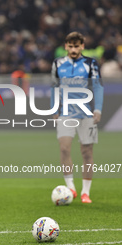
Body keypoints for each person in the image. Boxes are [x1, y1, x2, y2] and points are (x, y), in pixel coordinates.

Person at [50, 32, 104, 203]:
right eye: (70, 46)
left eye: (77, 46)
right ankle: (71, 188)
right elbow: (54, 87)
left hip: (86, 113)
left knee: (87, 151)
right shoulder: (58, 64)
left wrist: (98, 109)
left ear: (82, 46)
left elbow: (98, 86)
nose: (73, 49)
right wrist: (54, 108)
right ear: (66, 46)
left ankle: (85, 192)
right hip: (66, 112)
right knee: (64, 148)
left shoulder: (91, 63)